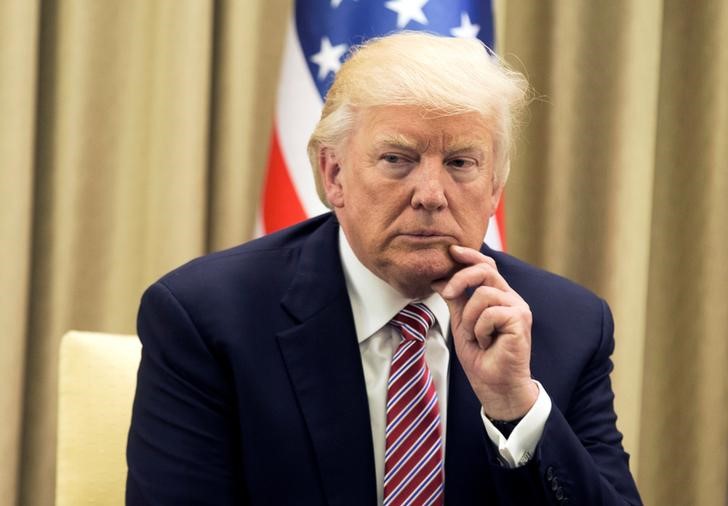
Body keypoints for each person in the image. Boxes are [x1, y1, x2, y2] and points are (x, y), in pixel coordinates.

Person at [126, 32, 642, 505]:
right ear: (334, 175)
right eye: (397, 159)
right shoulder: (208, 318)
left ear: (494, 191)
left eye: (461, 163)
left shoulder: (568, 325)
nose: (431, 196)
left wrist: (517, 407)